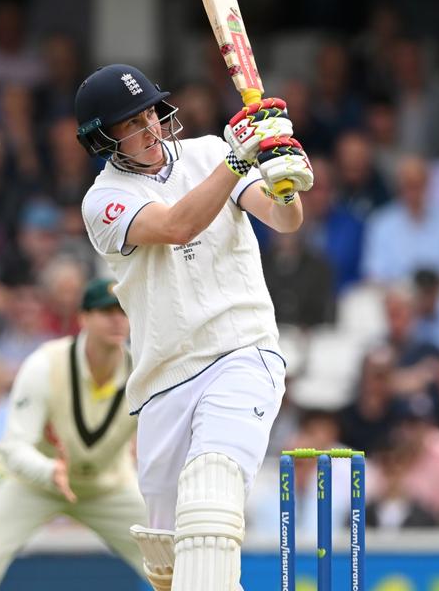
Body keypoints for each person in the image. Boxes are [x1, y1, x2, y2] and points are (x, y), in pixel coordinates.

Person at [74, 65, 311, 590]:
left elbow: (284, 220)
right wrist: (238, 156)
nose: (151, 129)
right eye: (131, 123)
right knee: (171, 562)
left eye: (152, 114)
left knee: (212, 497)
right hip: (163, 380)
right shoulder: (103, 200)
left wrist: (284, 174)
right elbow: (177, 225)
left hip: (242, 353)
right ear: (101, 138)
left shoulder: (206, 152)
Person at [0, 279, 147, 589]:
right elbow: (13, 446)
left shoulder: (142, 371)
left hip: (107, 485)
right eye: (106, 312)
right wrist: (48, 471)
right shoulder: (44, 365)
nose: (117, 320)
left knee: (170, 561)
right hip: (29, 483)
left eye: (123, 311)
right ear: (83, 318)